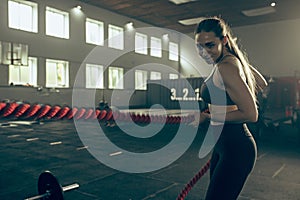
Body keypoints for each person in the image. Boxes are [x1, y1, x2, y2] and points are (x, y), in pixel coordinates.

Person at [194, 16, 267, 200]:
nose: (204, 52)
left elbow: (251, 114)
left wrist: (210, 117)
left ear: (224, 40)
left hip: (236, 148)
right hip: (224, 145)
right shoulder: (227, 62)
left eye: (210, 45)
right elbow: (262, 82)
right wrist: (236, 55)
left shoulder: (226, 67)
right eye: (199, 47)